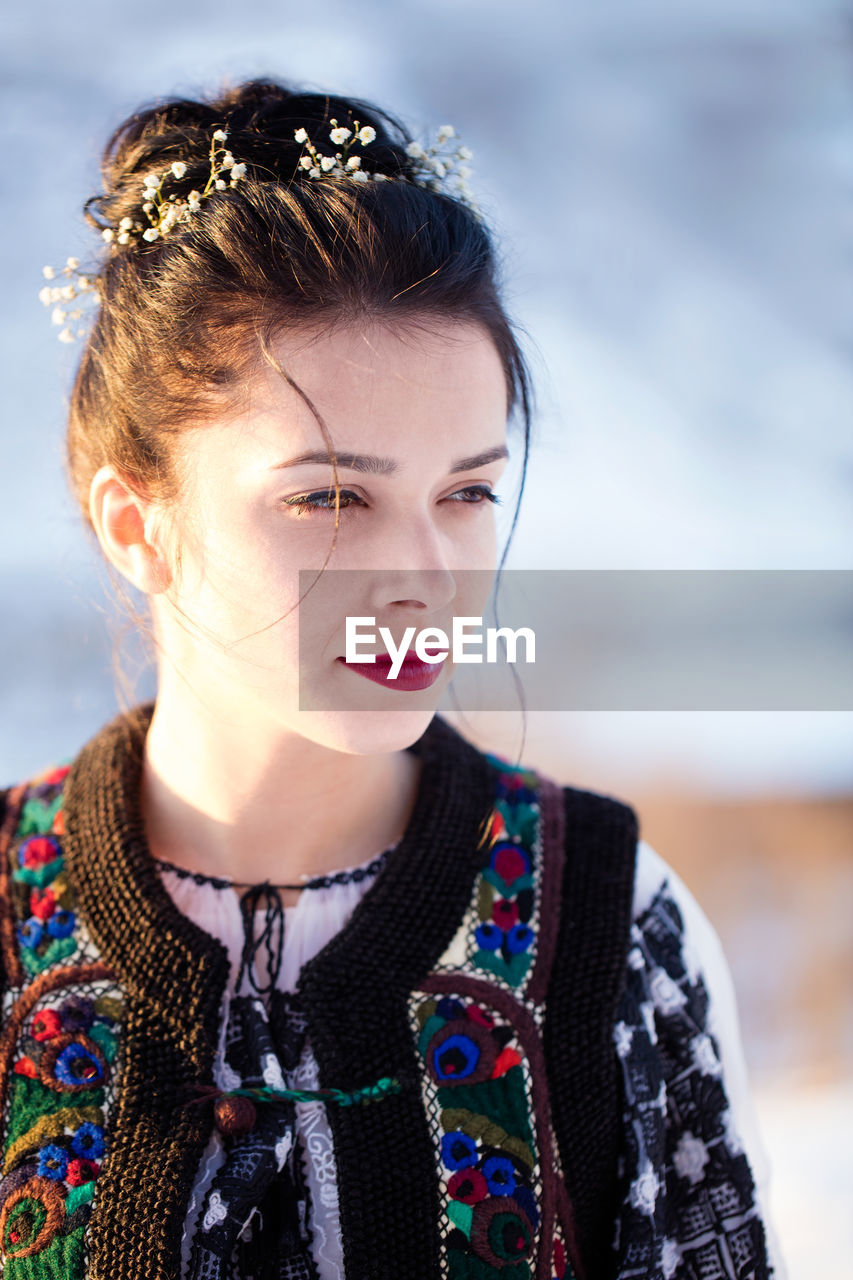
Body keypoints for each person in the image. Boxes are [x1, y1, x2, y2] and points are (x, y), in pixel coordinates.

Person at [0, 80, 780, 1280]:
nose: (423, 574)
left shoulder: (611, 926)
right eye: (329, 496)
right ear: (136, 520)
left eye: (465, 493)